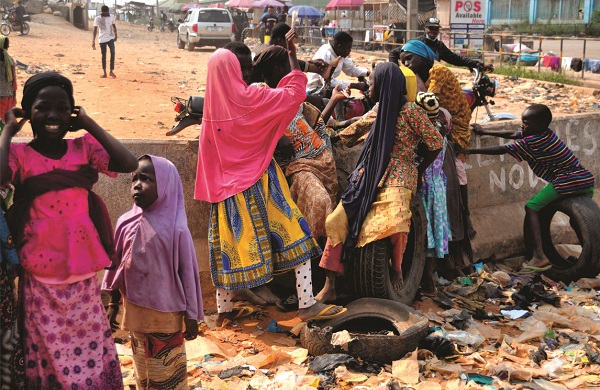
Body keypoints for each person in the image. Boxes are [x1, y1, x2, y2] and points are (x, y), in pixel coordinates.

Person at [194, 31, 345, 325]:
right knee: (296, 238)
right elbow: (295, 93)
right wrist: (291, 52)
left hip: (226, 194)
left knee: (227, 250)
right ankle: (307, 303)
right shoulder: (254, 98)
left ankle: (224, 313)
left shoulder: (211, 114)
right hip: (262, 183)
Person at [0, 71, 138, 388]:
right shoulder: (21, 155)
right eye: (42, 108)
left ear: (72, 113)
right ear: (27, 113)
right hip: (40, 276)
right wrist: (8, 129)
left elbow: (127, 163)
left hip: (82, 275)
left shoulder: (84, 148)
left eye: (63, 108)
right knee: (48, 353)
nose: (53, 115)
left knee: (87, 351)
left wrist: (89, 124)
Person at [316, 63, 443, 303]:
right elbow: (350, 134)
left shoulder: (412, 113)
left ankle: (397, 267)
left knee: (394, 220)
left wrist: (418, 169)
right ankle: (330, 283)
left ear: (385, 86)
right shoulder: (378, 112)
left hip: (400, 174)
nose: (368, 87)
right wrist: (326, 127)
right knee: (335, 221)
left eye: (372, 83)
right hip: (369, 174)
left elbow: (436, 143)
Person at [102, 155, 204, 390]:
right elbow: (116, 267)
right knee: (142, 370)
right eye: (134, 179)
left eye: (146, 179)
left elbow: (188, 275)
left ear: (166, 185)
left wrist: (191, 315)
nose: (137, 184)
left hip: (166, 319)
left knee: (167, 375)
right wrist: (113, 305)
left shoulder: (176, 229)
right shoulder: (125, 222)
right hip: (135, 316)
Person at [468, 104, 595, 271]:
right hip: (585, 179)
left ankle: (539, 256)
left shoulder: (533, 141)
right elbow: (514, 134)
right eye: (522, 121)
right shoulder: (545, 134)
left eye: (526, 123)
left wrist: (469, 150)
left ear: (540, 124)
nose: (522, 125)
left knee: (532, 206)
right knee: (577, 220)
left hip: (567, 180)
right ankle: (592, 255)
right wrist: (485, 131)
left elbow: (502, 149)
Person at [399, 39, 475, 274]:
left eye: (410, 58)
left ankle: (451, 257)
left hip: (455, 134)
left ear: (424, 57)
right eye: (403, 61)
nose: (407, 64)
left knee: (452, 192)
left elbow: (426, 102)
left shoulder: (436, 73)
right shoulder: (422, 77)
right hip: (441, 137)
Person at [253, 45, 338, 243]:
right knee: (320, 201)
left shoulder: (288, 91)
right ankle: (313, 250)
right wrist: (276, 135)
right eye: (287, 66)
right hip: (297, 165)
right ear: (276, 69)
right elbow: (254, 124)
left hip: (322, 160)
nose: (291, 71)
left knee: (327, 203)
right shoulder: (260, 93)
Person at [414, 92, 451, 296]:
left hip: (426, 186)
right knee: (433, 234)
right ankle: (429, 279)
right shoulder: (441, 128)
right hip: (437, 186)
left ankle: (427, 280)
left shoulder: (426, 135)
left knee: (426, 234)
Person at [389, 17, 485, 71]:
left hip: (433, 83)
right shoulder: (416, 43)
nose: (433, 31)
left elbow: (455, 59)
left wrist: (474, 63)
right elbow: (393, 53)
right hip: (416, 83)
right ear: (425, 29)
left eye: (436, 29)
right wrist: (395, 72)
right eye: (430, 28)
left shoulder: (439, 46)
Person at [92, 5, 118, 78]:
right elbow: (95, 30)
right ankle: (104, 73)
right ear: (102, 12)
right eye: (104, 13)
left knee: (112, 52)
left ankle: (111, 71)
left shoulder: (112, 16)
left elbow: (114, 26)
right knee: (104, 55)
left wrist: (116, 35)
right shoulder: (98, 18)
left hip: (110, 37)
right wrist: (93, 41)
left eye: (106, 12)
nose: (105, 14)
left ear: (108, 11)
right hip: (102, 38)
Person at [0, 37, 16, 123]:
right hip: (8, 95)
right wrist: (14, 94)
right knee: (5, 120)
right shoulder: (10, 60)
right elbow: (13, 79)